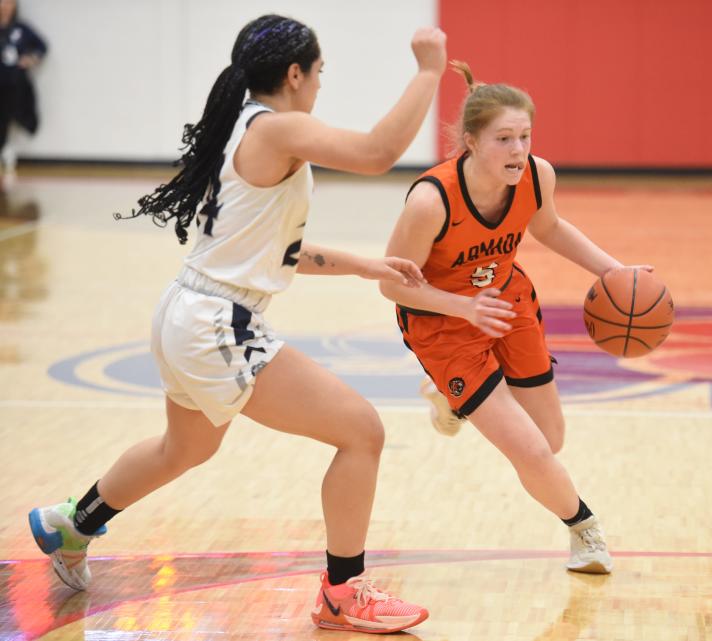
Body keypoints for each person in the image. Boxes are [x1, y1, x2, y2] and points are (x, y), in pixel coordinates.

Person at [29, 14, 445, 635]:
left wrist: (363, 265)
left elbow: (273, 250)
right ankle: (341, 592)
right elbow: (379, 153)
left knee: (186, 447)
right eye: (320, 73)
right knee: (361, 432)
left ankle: (73, 521)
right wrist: (429, 70)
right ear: (296, 73)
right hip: (216, 322)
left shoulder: (242, 127)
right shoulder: (278, 127)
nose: (321, 86)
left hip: (185, 309)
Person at [381, 61, 653, 574]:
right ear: (471, 142)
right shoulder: (429, 201)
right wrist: (464, 306)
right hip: (442, 322)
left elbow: (548, 227)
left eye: (524, 136)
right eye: (503, 139)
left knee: (550, 439)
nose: (518, 150)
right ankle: (585, 531)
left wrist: (615, 272)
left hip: (508, 305)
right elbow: (392, 282)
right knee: (530, 451)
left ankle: (448, 398)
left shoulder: (536, 175)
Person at [0, 0, 46, 179]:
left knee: (15, 114)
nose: (4, 6)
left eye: (9, 2)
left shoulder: (20, 29)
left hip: (14, 83)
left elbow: (41, 47)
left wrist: (30, 59)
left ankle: (6, 151)